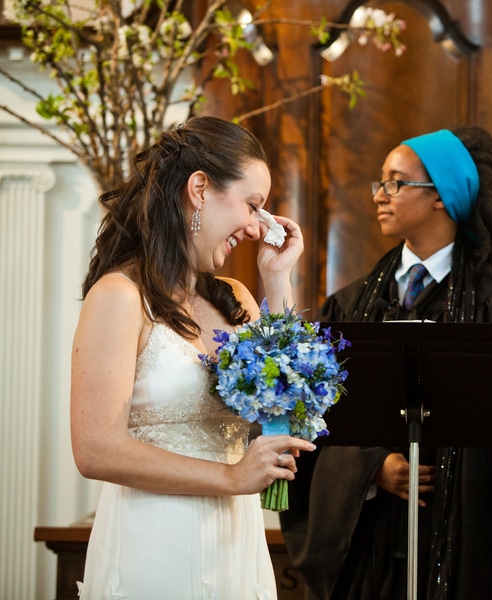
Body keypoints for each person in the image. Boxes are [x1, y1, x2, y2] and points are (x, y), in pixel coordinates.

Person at [279, 126, 492, 600]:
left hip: (480, 540)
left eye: (395, 182)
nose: (379, 195)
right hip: (376, 544)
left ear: (442, 197)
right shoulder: (351, 306)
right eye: (380, 182)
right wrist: (371, 466)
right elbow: (316, 424)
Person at [71, 115, 316, 599]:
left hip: (236, 546)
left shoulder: (236, 299)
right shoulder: (120, 297)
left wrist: (278, 279)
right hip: (154, 543)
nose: (256, 227)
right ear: (200, 189)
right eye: (252, 205)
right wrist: (232, 475)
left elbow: (289, 413)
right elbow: (95, 449)